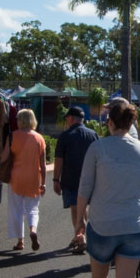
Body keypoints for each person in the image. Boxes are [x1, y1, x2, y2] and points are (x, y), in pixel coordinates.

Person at [75, 100, 140, 278]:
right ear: (131, 123)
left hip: (103, 224)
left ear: (109, 122)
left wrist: (79, 224)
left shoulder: (98, 148)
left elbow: (84, 188)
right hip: (135, 225)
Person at [55, 106, 99, 254]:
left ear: (72, 118)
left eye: (67, 117)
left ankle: (80, 236)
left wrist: (56, 179)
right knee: (85, 208)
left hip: (70, 178)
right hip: (90, 178)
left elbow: (59, 159)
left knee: (75, 209)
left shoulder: (65, 136)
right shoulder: (93, 135)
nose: (66, 120)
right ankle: (82, 235)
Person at [2, 109, 48, 252]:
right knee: (33, 208)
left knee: (17, 209)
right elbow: (43, 164)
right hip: (34, 178)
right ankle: (33, 229)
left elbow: (4, 157)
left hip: (16, 177)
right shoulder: (39, 138)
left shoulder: (13, 136)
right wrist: (44, 183)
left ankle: (20, 241)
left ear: (21, 120)